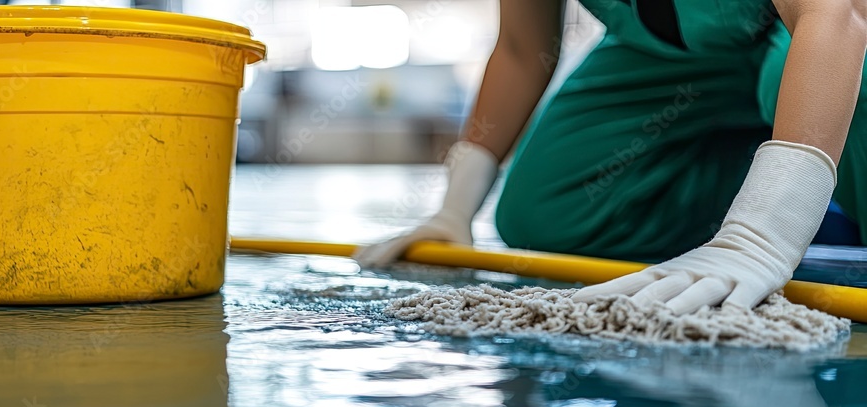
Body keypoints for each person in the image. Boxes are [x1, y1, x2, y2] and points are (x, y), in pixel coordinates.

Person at [354, 0, 867, 315]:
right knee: (546, 216)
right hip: (671, 63)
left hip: (820, 32)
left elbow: (835, 13)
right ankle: (783, 207)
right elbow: (521, 47)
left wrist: (761, 238)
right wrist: (455, 208)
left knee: (826, 72)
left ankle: (802, 210)